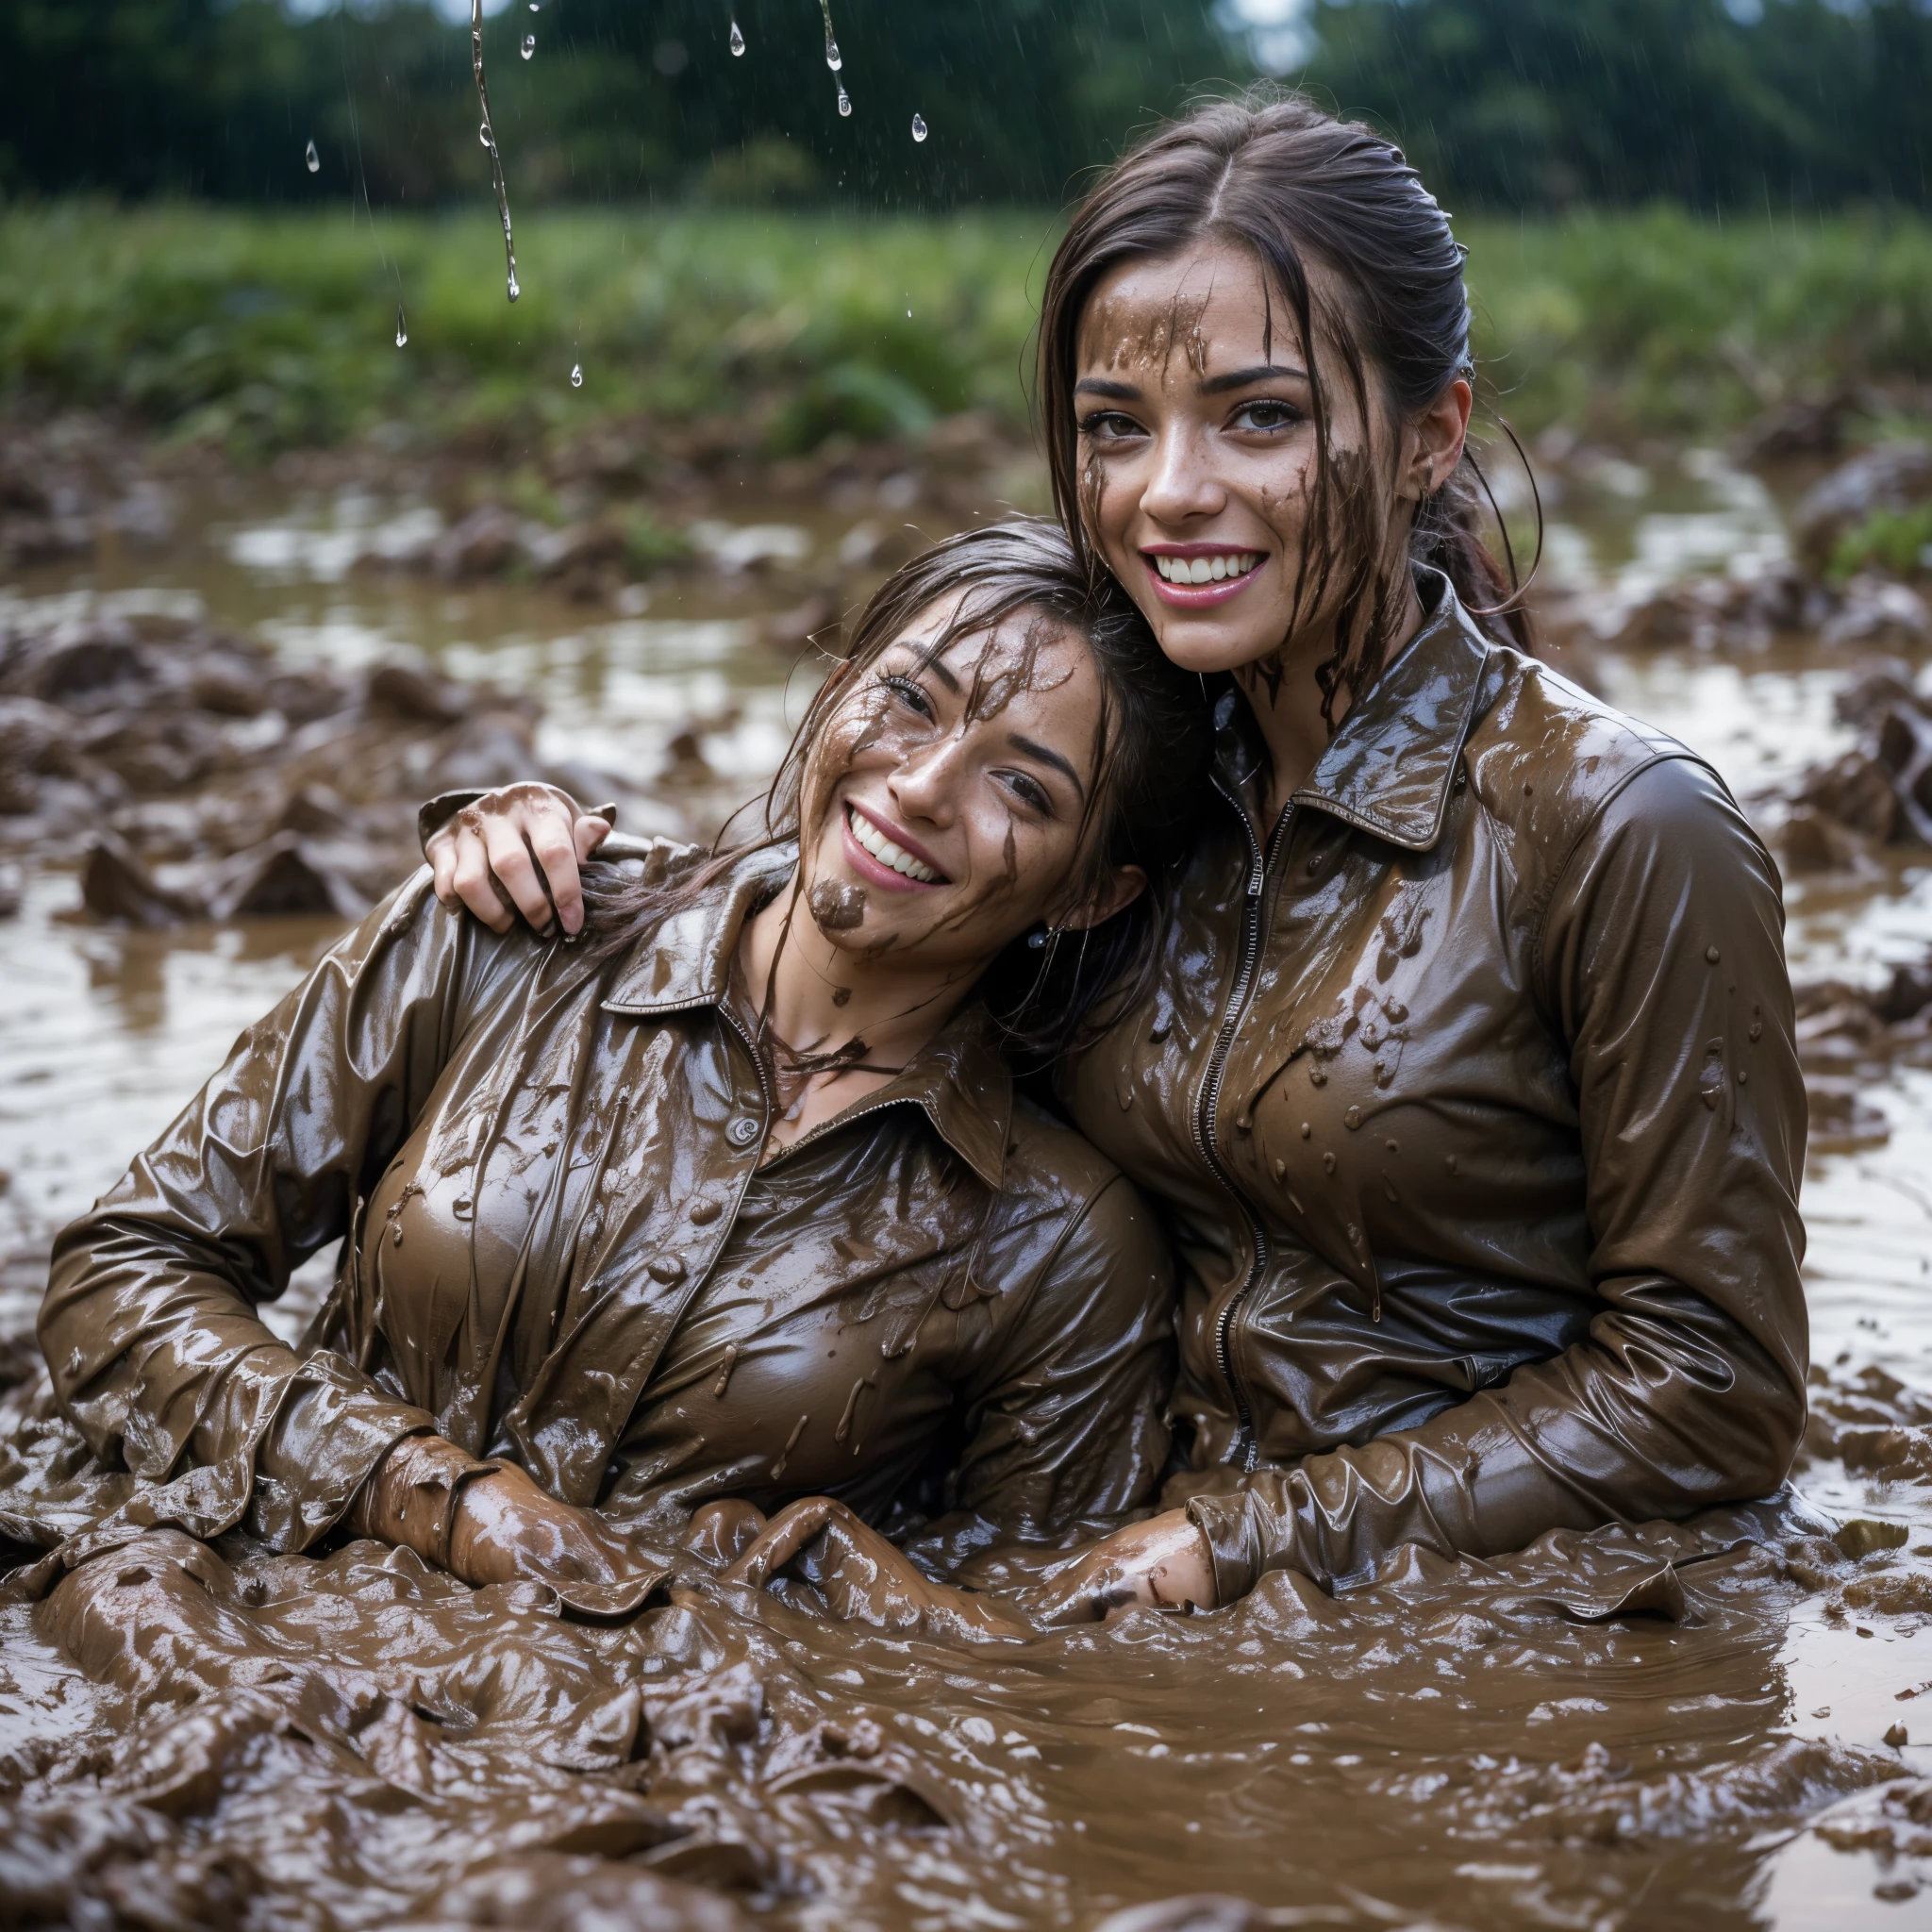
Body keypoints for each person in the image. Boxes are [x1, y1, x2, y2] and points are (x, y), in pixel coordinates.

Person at [439, 92, 1807, 1621]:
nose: (1167, 491)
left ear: (1429, 435)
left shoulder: (1621, 829)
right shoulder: (1132, 783)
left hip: (1473, 1619)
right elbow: (870, 871)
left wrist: (1254, 1538)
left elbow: (1712, 1386)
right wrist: (567, 851)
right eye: (1113, 427)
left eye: (1259, 417)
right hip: (1087, 1551)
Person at [38, 522, 1207, 1610]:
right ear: (840, 678)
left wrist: (813, 1576)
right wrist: (432, 1497)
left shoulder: (1060, 1245)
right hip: (235, 1642)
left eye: (1020, 785)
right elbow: (121, 1272)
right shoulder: (503, 928)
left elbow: (1029, 1645)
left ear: (1091, 887)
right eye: (907, 697)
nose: (917, 785)